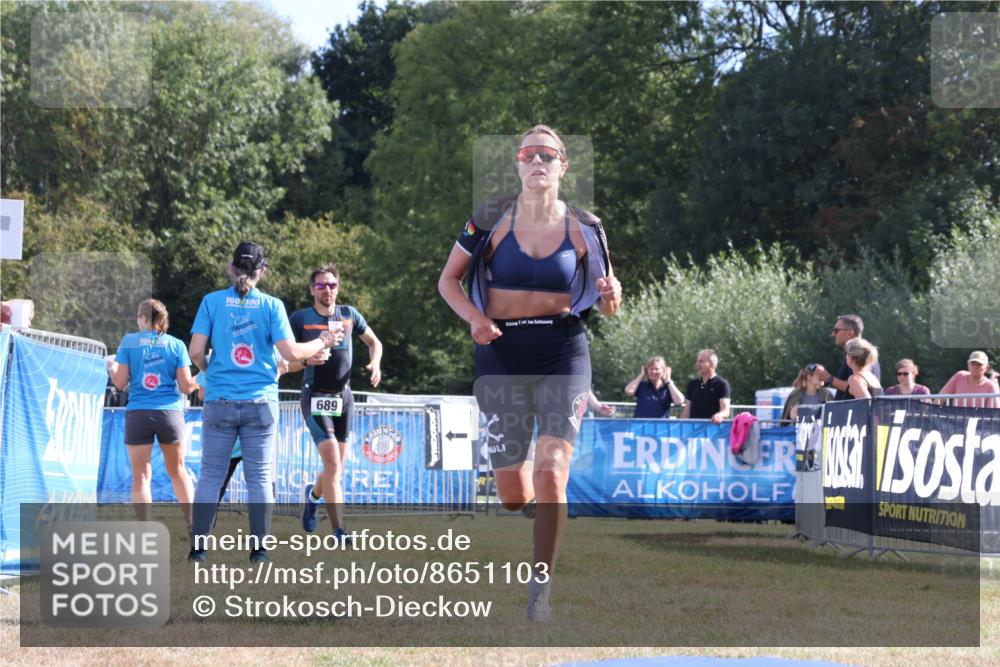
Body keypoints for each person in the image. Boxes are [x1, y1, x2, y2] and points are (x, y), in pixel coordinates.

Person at [438, 125, 621, 622]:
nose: (537, 161)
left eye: (547, 154)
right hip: (502, 353)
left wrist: (612, 296)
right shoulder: (490, 217)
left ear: (564, 165)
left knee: (551, 472)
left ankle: (541, 589)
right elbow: (448, 280)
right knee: (514, 494)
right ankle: (536, 509)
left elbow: (608, 303)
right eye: (528, 154)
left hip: (563, 351)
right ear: (517, 164)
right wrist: (475, 319)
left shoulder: (586, 226)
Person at [187, 241, 342, 563]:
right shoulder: (272, 306)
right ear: (263, 271)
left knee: (211, 476)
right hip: (260, 402)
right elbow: (291, 353)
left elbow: (196, 352)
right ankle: (259, 552)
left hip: (219, 400)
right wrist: (323, 340)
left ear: (231, 268)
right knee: (258, 478)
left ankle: (198, 550)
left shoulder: (211, 301)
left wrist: (212, 372)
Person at [288, 264, 383, 544]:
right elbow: (284, 361)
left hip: (344, 397)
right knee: (331, 461)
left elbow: (374, 343)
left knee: (336, 467)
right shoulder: (300, 319)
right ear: (312, 290)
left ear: (338, 288)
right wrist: (306, 360)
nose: (327, 290)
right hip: (315, 394)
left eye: (331, 285)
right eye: (321, 285)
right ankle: (339, 531)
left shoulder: (349, 315)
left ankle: (313, 495)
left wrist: (375, 363)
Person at [111, 299, 199, 525]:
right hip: (170, 414)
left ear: (143, 319)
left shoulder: (129, 342)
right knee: (178, 470)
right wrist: (203, 377)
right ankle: (193, 525)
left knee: (140, 474)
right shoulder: (176, 345)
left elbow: (119, 383)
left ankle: (144, 529)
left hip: (138, 413)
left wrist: (111, 368)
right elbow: (186, 387)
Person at [818, 314, 881, 400]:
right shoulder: (868, 357)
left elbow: (866, 402)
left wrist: (829, 378)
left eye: (836, 330)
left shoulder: (856, 377)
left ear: (850, 333)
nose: (833, 334)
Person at [680, 349, 731, 424]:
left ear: (712, 364)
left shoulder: (722, 384)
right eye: (697, 361)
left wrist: (719, 415)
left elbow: (726, 411)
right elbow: (687, 410)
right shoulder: (692, 384)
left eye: (701, 361)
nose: (697, 364)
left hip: (712, 428)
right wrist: (680, 425)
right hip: (693, 429)